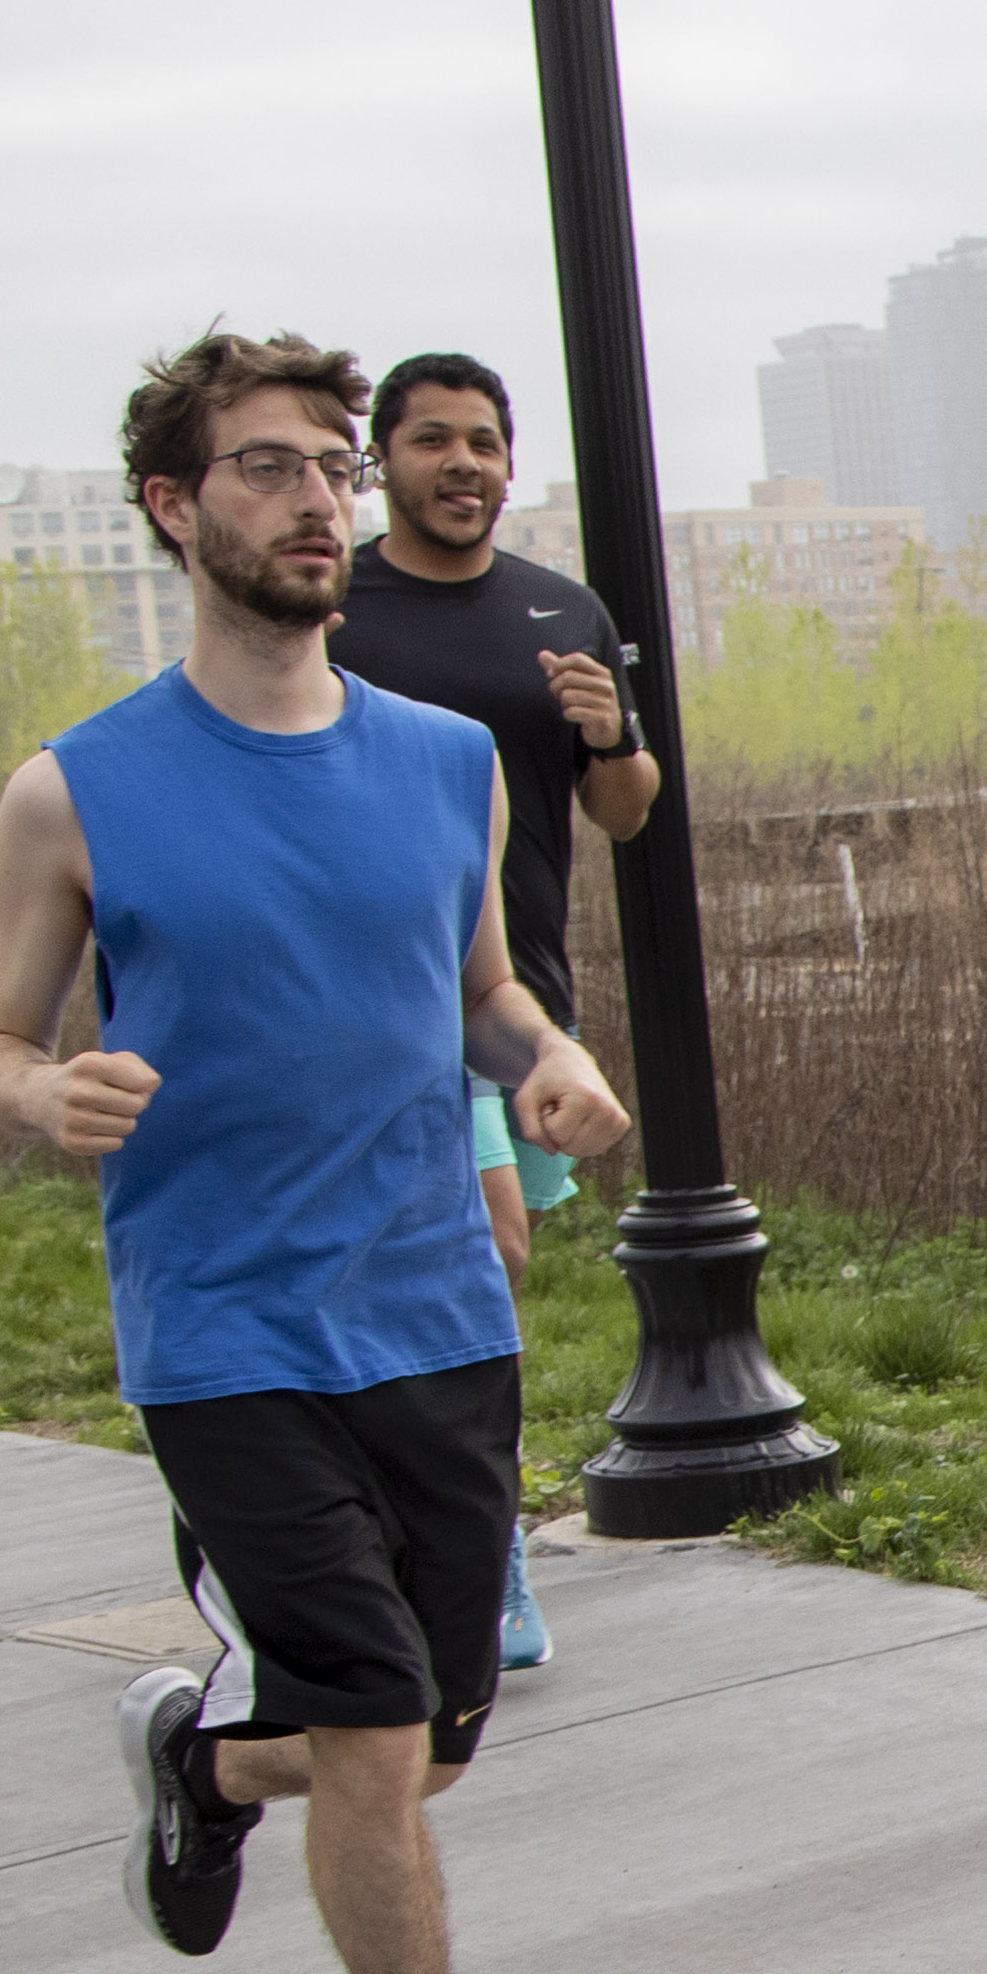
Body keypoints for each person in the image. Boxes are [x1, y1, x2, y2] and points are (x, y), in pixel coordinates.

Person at [0, 333, 633, 1974]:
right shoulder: (74, 791)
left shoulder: (441, 768)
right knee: (365, 1733)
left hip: (435, 1305)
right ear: (175, 509)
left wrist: (540, 1064)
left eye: (326, 467)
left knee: (424, 1736)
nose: (313, 500)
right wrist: (45, 1091)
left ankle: (201, 1756)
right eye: (265, 469)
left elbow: (484, 984)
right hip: (225, 1324)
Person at [327, 348, 662, 1672]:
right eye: (431, 442)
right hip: (370, 997)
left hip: (511, 997)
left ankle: (420, 1533)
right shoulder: (336, 605)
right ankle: (471, 1547)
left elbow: (625, 813)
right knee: (489, 1251)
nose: (462, 465)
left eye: (483, 443)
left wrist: (609, 734)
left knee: (462, 1269)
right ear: (384, 462)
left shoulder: (560, 611)